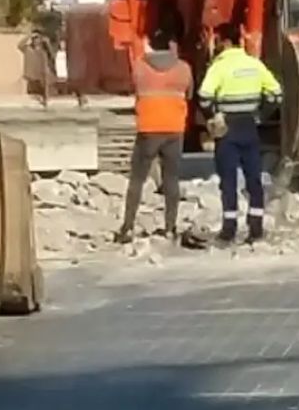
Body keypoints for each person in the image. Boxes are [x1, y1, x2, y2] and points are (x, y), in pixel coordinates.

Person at [197, 22, 283, 244]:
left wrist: (213, 116)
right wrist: (260, 116)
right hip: (250, 127)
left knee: (228, 181)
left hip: (227, 129)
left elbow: (204, 96)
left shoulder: (219, 67)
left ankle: (229, 229)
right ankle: (256, 228)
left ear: (224, 42)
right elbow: (276, 95)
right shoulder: (255, 65)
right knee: (254, 179)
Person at [116, 27, 193, 244]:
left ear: (150, 43)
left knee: (137, 179)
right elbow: (190, 93)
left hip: (148, 129)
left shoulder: (140, 67)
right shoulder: (184, 68)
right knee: (171, 178)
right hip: (174, 129)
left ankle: (128, 227)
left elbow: (134, 87)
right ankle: (170, 228)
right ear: (171, 45)